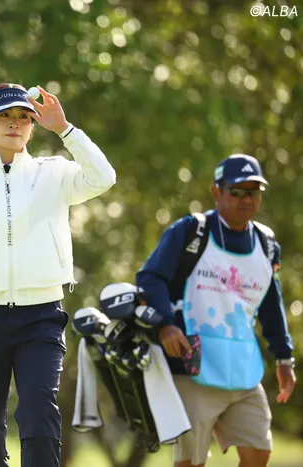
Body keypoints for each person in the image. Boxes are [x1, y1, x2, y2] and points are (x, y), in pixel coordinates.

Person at [0, 83, 116, 466]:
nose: (14, 124)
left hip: (40, 317)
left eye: (23, 117)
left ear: (32, 126)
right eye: (4, 116)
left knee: (39, 414)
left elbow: (103, 177)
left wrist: (65, 129)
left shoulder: (54, 173)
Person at [135, 154, 296, 467]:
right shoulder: (191, 231)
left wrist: (284, 357)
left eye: (254, 191)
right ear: (217, 191)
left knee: (258, 451)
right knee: (190, 463)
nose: (247, 199)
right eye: (237, 191)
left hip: (243, 371)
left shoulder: (266, 244)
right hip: (192, 368)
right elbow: (150, 278)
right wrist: (165, 324)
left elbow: (271, 304)